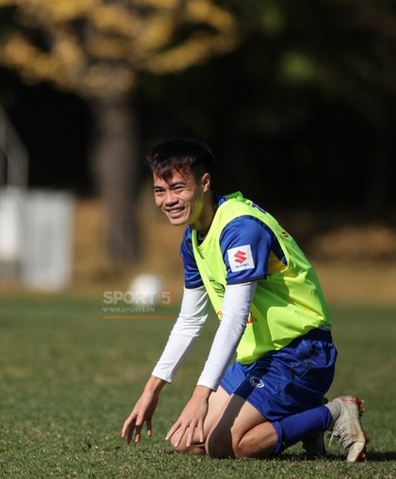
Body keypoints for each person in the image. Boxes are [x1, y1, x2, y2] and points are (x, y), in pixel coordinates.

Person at [121, 138, 368, 461]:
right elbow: (190, 321)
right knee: (187, 440)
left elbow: (235, 318)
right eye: (160, 191)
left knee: (225, 446)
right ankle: (306, 419)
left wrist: (201, 395)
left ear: (205, 182)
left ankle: (334, 413)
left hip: (299, 352)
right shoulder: (194, 237)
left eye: (178, 188)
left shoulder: (240, 230)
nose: (169, 200)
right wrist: (151, 390)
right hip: (259, 358)